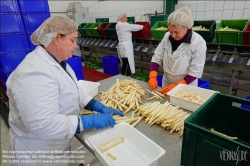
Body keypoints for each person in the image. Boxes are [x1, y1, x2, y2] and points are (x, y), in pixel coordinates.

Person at [6, 15, 124, 165]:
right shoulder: (33, 73)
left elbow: (74, 91)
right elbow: (43, 124)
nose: (76, 46)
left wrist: (95, 105)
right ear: (56, 39)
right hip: (37, 154)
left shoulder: (61, 63)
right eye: (72, 40)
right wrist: (88, 121)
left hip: (56, 147)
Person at [148, 6, 206, 95]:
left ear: (187, 28)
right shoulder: (167, 37)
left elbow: (195, 71)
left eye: (176, 32)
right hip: (167, 82)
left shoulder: (198, 42)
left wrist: (176, 85)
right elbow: (157, 57)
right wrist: (152, 76)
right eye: (171, 31)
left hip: (186, 86)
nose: (173, 35)